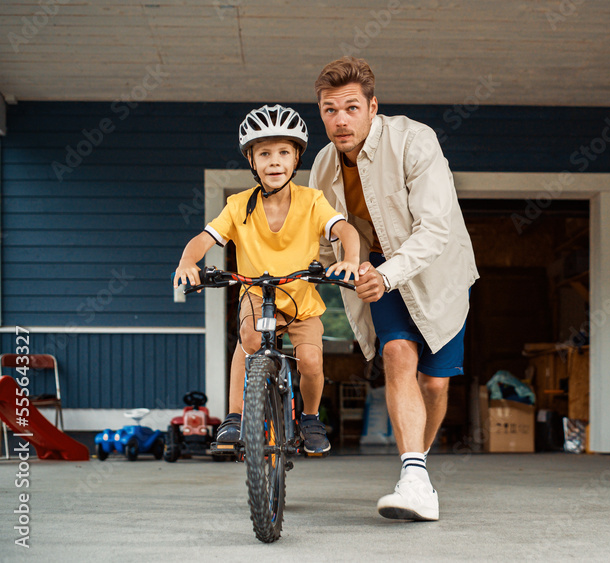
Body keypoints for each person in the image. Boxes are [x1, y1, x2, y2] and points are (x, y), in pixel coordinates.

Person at [310, 57, 479, 521]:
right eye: (329, 110)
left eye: (350, 107)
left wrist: (386, 274)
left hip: (437, 270)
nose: (340, 119)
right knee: (397, 353)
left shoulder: (414, 140)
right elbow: (325, 238)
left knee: (435, 382)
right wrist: (340, 265)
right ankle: (414, 476)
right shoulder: (323, 167)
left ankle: (416, 471)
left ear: (372, 107)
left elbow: (435, 228)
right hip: (378, 269)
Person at [174, 104, 360, 457]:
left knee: (312, 361)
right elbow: (205, 239)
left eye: (283, 153)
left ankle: (309, 417)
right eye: (264, 153)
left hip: (301, 302)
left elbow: (344, 229)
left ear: (296, 159)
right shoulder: (238, 205)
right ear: (252, 162)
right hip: (258, 295)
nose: (274, 161)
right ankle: (234, 416)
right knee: (248, 338)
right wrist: (187, 261)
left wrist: (350, 258)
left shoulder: (311, 201)